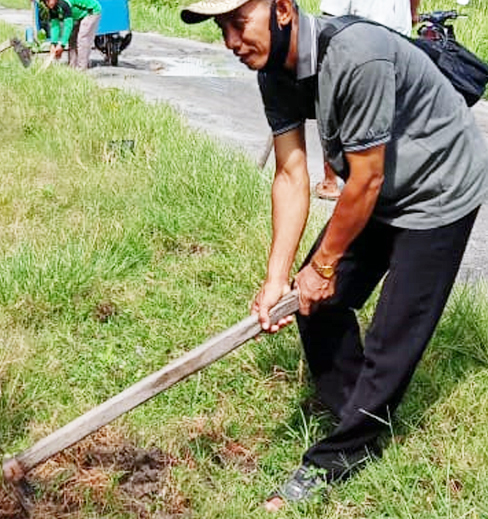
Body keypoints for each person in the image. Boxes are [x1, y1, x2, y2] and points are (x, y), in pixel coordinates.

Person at [181, 0, 488, 511]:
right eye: (222, 30)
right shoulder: (273, 74)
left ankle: (336, 459)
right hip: (379, 189)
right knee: (311, 301)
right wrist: (278, 278)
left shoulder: (356, 54)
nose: (231, 42)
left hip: (439, 189)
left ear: (281, 10)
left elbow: (363, 179)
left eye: (238, 24)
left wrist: (323, 265)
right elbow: (291, 175)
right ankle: (363, 421)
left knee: (393, 336)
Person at [314, 0, 421, 200]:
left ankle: (332, 181)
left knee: (335, 106)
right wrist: (412, 13)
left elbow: (330, 15)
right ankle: (381, 182)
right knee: (390, 111)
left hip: (357, 35)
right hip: (393, 33)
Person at [42, 0, 102, 70]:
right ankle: (72, 67)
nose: (48, 3)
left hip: (91, 12)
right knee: (72, 38)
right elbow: (55, 26)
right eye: (45, 1)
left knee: (82, 38)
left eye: (49, 0)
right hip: (77, 16)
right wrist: (53, 44)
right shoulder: (53, 8)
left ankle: (81, 68)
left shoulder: (64, 3)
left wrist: (62, 45)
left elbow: (68, 25)